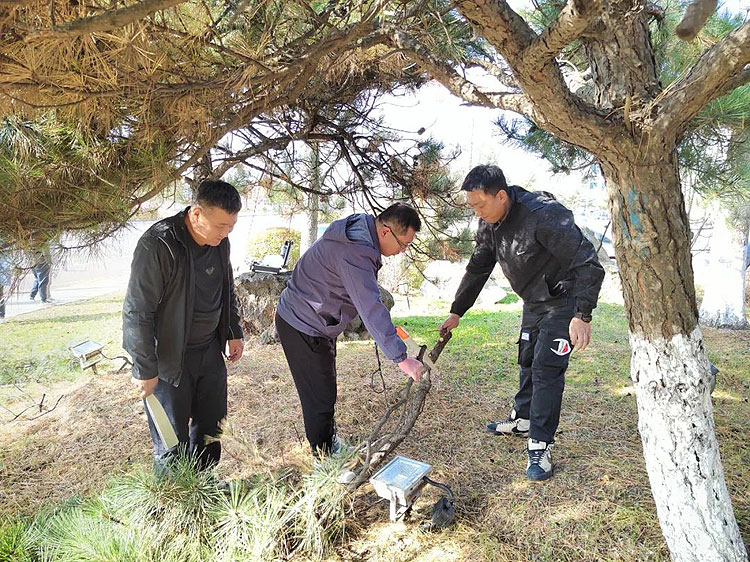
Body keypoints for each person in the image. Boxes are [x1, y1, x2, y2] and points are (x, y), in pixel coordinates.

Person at [440, 165, 604, 481]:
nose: (476, 212)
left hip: (564, 299)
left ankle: (540, 444)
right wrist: (457, 311)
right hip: (534, 299)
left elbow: (588, 263)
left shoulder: (543, 215)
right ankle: (524, 418)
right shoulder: (489, 222)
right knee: (527, 359)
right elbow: (478, 267)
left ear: (501, 196)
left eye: (480, 204)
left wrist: (582, 314)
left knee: (546, 369)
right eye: (472, 206)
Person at [275, 203, 424, 457]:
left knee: (325, 388)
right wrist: (401, 358)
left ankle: (328, 443)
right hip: (302, 322)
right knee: (319, 396)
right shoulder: (355, 250)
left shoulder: (361, 234)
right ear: (385, 231)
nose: (402, 251)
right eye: (403, 244)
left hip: (317, 321)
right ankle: (324, 458)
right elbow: (370, 307)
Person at [123, 179, 245, 472]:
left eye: (231, 226)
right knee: (170, 441)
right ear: (196, 214)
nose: (225, 233)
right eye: (220, 226)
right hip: (169, 359)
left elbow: (226, 287)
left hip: (209, 351)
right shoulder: (159, 244)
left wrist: (233, 330)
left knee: (211, 428)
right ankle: (172, 496)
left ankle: (204, 485)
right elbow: (137, 310)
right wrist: (144, 368)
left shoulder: (220, 242)